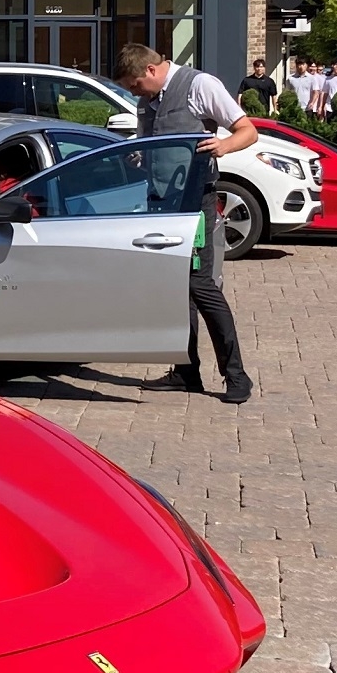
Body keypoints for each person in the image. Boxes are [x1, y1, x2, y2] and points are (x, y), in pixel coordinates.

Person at [117, 43, 258, 404]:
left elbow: (247, 130)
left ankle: (236, 376)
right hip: (162, 203)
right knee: (175, 289)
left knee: (200, 285)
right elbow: (153, 143)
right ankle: (186, 371)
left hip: (195, 203)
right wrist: (140, 155)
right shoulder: (147, 100)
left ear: (150, 70)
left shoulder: (200, 85)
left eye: (135, 85)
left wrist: (223, 146)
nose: (135, 93)